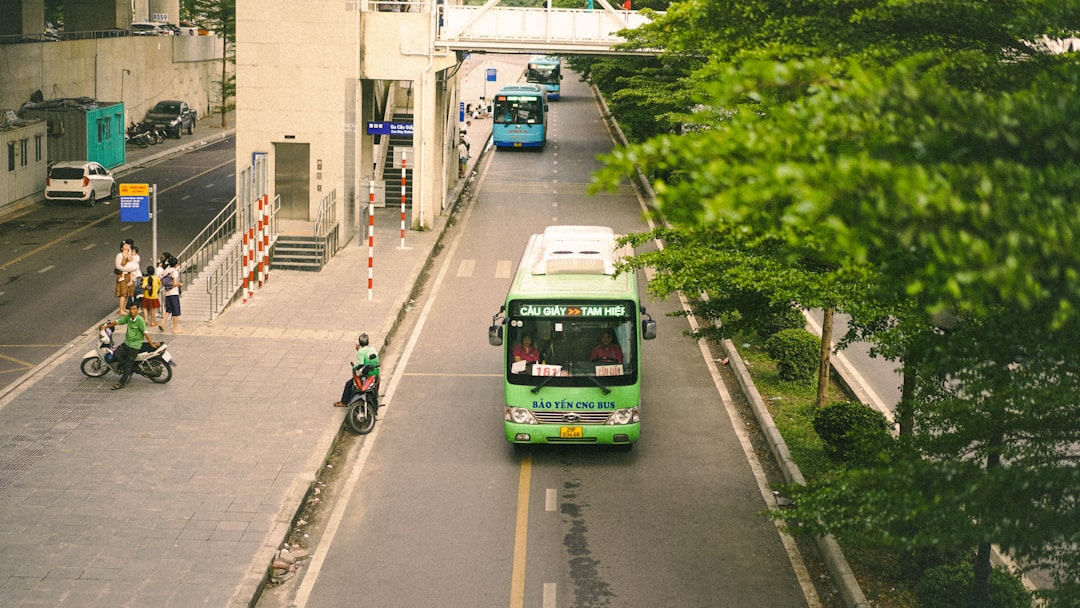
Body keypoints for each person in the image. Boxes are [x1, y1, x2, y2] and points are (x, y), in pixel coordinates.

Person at [101, 301, 160, 390]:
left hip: (134, 347)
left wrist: (151, 343)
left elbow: (146, 333)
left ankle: (122, 382)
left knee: (128, 365)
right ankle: (129, 368)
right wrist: (106, 326)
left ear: (138, 310)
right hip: (126, 344)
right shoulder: (128, 317)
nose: (132, 311)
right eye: (131, 309)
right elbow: (117, 322)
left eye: (134, 309)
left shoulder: (140, 320)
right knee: (116, 355)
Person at [334, 333, 380, 407]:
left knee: (349, 384)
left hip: (367, 372)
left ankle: (344, 402)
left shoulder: (361, 351)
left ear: (359, 342)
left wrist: (354, 368)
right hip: (376, 371)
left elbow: (361, 364)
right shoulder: (373, 348)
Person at [158, 253, 183, 334]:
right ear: (176, 265)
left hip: (167, 293)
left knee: (169, 310)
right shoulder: (174, 272)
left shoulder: (166, 271)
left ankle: (162, 322)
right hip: (174, 293)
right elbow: (174, 283)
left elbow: (160, 277)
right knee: (175, 311)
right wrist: (179, 284)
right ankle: (175, 329)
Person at [114, 240, 139, 313]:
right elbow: (118, 266)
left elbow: (133, 261)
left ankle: (124, 308)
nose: (127, 246)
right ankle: (121, 309)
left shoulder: (129, 254)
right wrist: (127, 269)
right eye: (125, 245)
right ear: (122, 248)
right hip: (122, 275)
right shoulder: (119, 255)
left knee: (128, 293)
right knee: (123, 293)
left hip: (129, 275)